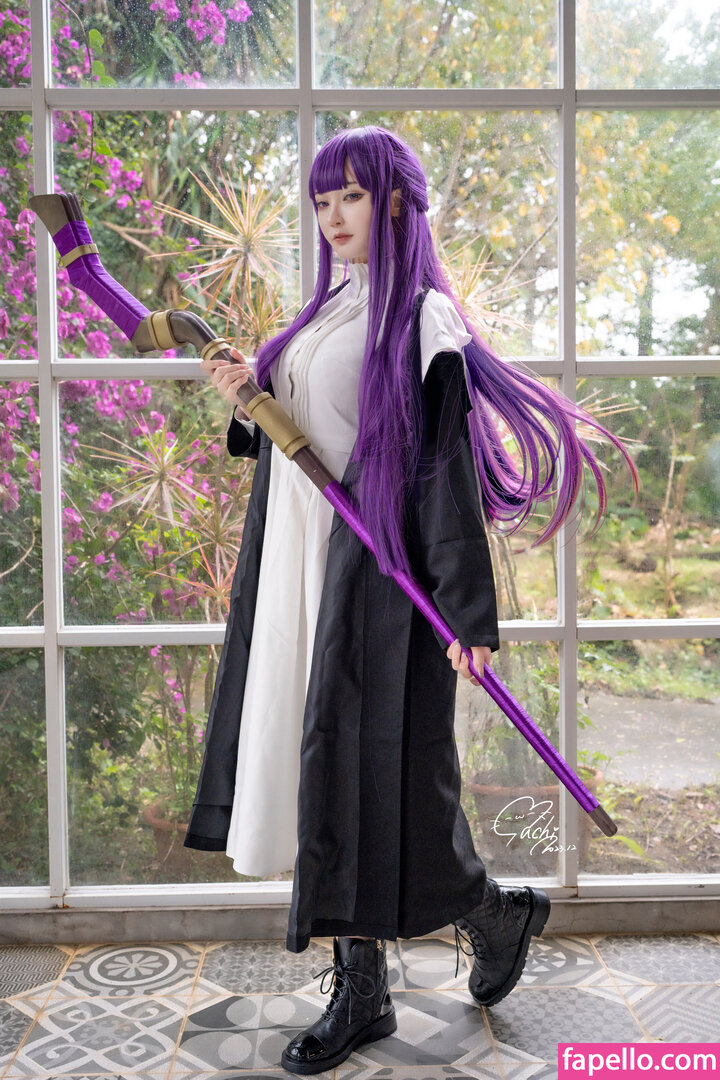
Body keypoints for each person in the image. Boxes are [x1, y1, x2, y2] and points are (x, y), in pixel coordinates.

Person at [184, 125, 637, 1074]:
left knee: (372, 778)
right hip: (299, 565)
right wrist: (247, 398)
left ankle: (381, 980)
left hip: (378, 576)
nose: (332, 217)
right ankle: (481, 922)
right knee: (329, 773)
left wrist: (468, 617)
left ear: (395, 200)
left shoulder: (423, 319)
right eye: (321, 200)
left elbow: (443, 470)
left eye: (349, 195)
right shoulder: (324, 311)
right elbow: (306, 438)